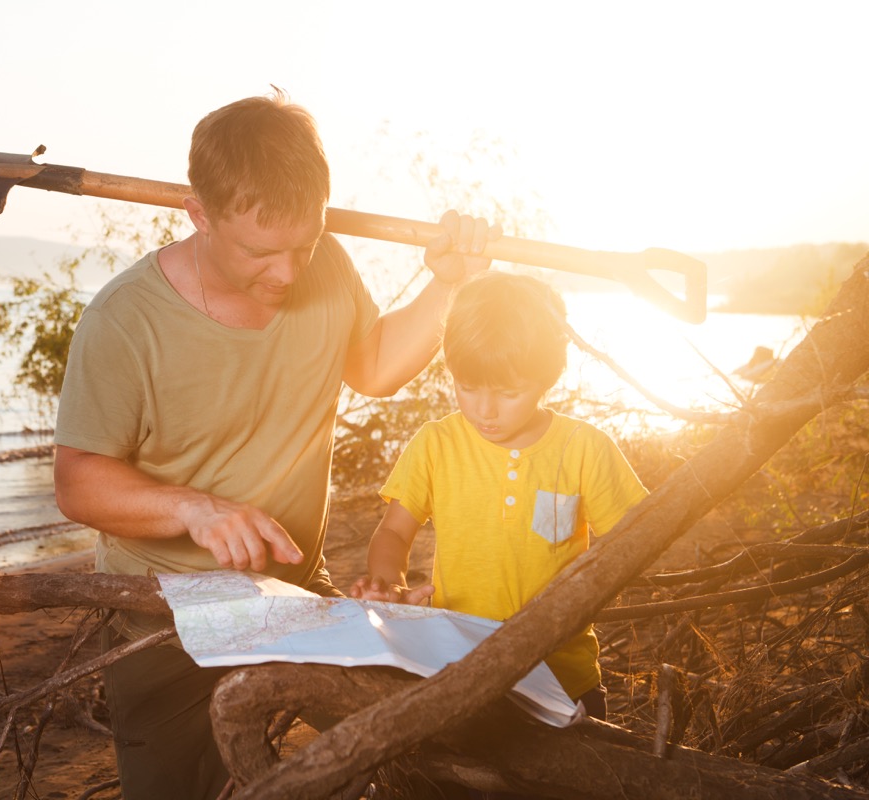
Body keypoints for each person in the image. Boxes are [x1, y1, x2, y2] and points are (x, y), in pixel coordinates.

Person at [52, 88, 498, 800]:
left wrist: (446, 286)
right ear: (198, 215)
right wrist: (194, 509)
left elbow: (376, 365)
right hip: (166, 612)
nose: (289, 273)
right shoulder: (125, 320)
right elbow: (78, 481)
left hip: (298, 595)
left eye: (305, 243)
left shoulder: (324, 267)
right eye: (262, 251)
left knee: (424, 744)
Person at [350, 270, 649, 724]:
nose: (484, 410)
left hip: (563, 678)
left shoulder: (584, 449)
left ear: (547, 376)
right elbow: (393, 530)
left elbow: (633, 545)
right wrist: (389, 583)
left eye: (508, 393)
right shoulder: (437, 444)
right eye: (467, 388)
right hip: (460, 670)